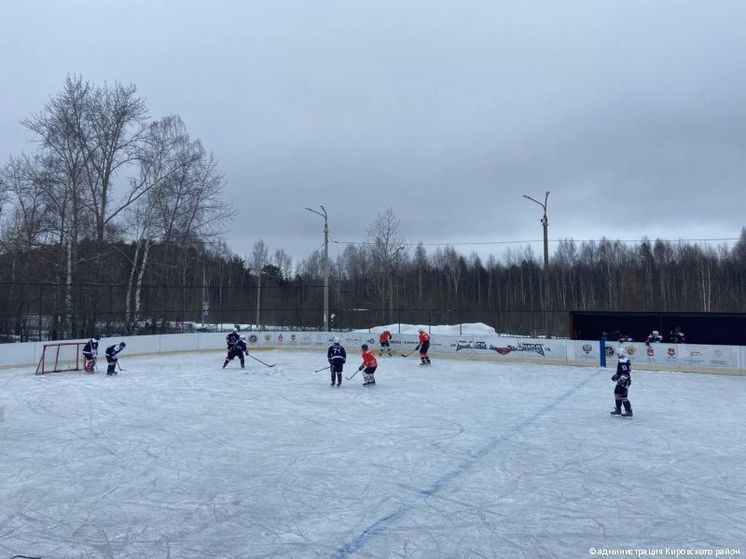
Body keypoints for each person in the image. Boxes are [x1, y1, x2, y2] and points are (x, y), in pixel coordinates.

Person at [610, 348, 633, 417]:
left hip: (624, 380)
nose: (617, 355)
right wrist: (616, 376)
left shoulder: (622, 361)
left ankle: (628, 411)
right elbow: (623, 371)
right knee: (616, 393)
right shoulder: (625, 360)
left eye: (617, 354)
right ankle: (618, 409)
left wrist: (622, 379)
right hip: (623, 379)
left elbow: (625, 372)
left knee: (623, 396)